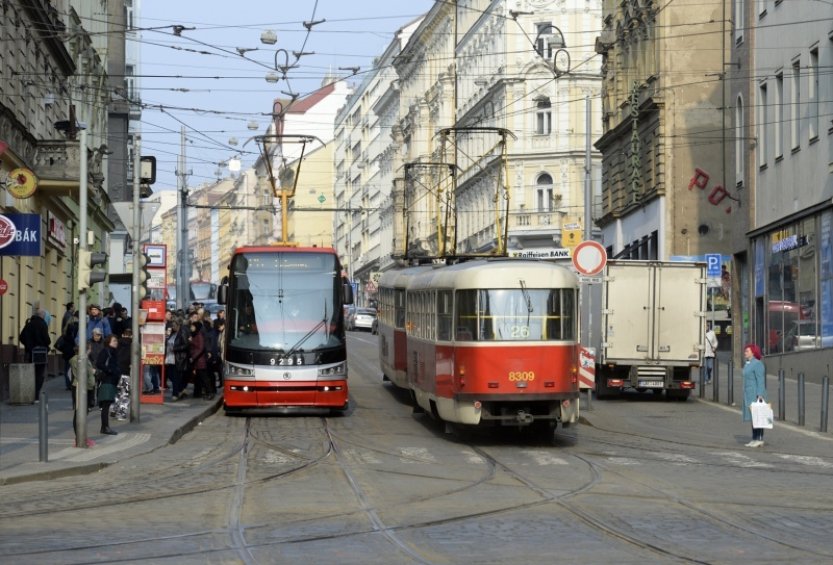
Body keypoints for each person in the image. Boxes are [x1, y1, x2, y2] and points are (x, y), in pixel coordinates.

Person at [19, 308, 51, 402]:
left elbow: (21, 337)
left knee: (30, 374)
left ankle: (28, 394)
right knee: (39, 375)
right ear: (43, 316)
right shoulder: (43, 324)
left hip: (29, 353)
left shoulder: (29, 324)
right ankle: (36, 396)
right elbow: (47, 340)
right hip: (40, 353)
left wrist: (28, 346)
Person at [742, 343, 767, 447]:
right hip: (748, 393)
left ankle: (759, 438)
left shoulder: (757, 364)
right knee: (753, 417)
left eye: (747, 351)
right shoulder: (748, 363)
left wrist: (760, 394)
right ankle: (754, 438)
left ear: (753, 352)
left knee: (758, 416)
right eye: (745, 351)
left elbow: (761, 380)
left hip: (755, 393)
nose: (745, 353)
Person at [95, 334, 121, 435]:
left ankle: (105, 427)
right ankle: (105, 427)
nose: (116, 342)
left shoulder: (113, 352)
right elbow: (99, 363)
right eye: (114, 341)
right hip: (107, 381)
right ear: (108, 342)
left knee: (107, 404)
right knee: (105, 404)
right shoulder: (106, 351)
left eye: (116, 341)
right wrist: (109, 370)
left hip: (112, 381)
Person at [188, 320, 211, 400]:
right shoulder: (194, 335)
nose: (191, 328)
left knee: (204, 378)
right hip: (197, 361)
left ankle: (209, 392)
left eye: (193, 326)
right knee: (197, 378)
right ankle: (197, 392)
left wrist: (193, 357)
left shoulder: (199, 335)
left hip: (200, 360)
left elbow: (200, 348)